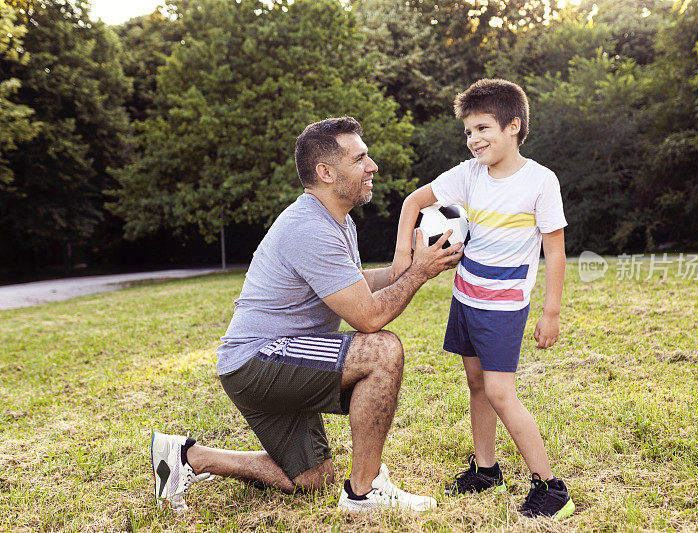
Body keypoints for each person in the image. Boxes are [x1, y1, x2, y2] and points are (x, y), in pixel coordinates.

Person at [150, 116, 462, 513]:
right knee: (381, 350)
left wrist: (411, 265)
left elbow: (353, 285)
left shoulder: (337, 219)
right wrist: (419, 273)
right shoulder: (309, 228)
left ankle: (189, 457)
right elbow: (367, 318)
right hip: (259, 361)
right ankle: (364, 493)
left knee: (313, 481)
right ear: (326, 172)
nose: (373, 166)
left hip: (256, 364)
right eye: (361, 158)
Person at [390, 79, 574, 519]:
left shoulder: (540, 181)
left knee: (499, 391)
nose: (474, 139)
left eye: (483, 128)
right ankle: (486, 471)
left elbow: (556, 250)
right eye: (468, 131)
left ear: (514, 126)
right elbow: (413, 201)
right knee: (477, 386)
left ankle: (551, 489)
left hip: (504, 307)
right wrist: (403, 255)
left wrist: (551, 312)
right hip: (466, 298)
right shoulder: (468, 175)